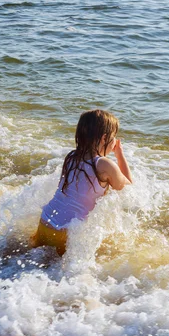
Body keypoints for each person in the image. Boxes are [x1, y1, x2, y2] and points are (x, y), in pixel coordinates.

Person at [31, 109, 132, 255]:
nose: (115, 141)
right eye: (114, 136)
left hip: (45, 222)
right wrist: (119, 154)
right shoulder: (104, 165)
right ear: (104, 138)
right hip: (65, 233)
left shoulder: (71, 156)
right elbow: (127, 184)